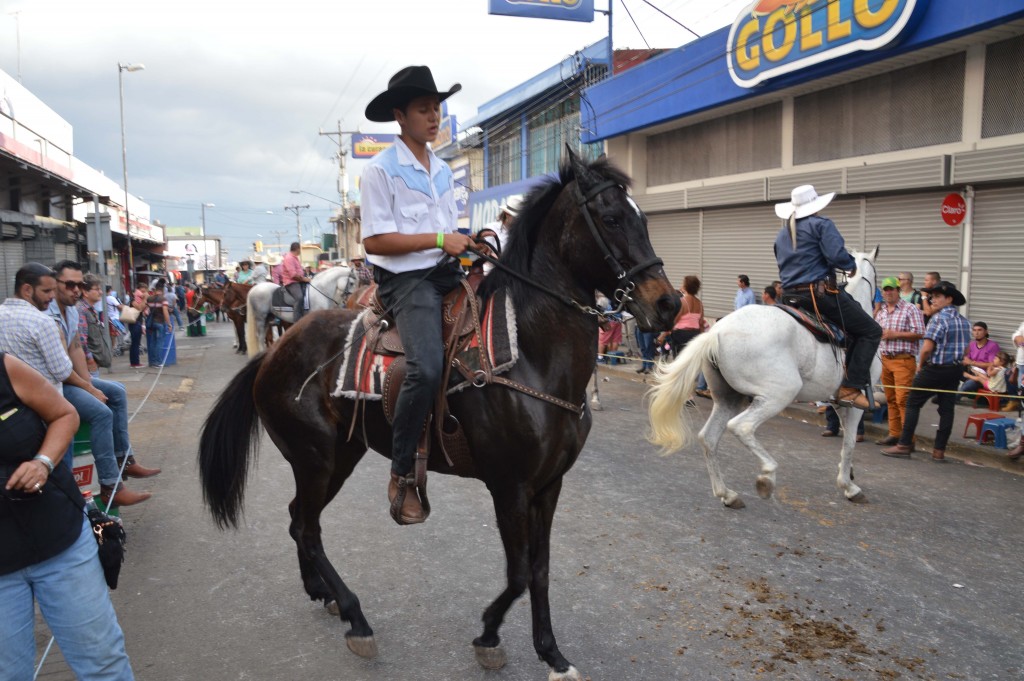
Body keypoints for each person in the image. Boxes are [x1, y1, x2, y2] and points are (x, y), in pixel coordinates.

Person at [362, 64, 484, 525]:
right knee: (428, 366)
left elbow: (449, 231)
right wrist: (438, 240)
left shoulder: (444, 169)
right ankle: (402, 474)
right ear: (400, 116)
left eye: (437, 108)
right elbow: (374, 242)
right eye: (423, 109)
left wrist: (466, 243)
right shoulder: (380, 171)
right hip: (407, 281)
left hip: (448, 271)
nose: (434, 117)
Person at [0, 352, 136, 680]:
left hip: (61, 542)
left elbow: (64, 414)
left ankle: (120, 470)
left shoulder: (5, 368)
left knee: (102, 661)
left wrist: (43, 462)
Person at [49, 262, 158, 505]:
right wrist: (89, 388)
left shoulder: (73, 311)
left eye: (79, 285)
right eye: (70, 284)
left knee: (117, 392)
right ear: (53, 284)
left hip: (69, 378)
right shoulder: (48, 314)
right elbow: (61, 368)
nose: (75, 289)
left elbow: (76, 348)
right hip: (51, 385)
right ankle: (110, 485)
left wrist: (91, 384)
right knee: (101, 413)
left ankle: (124, 460)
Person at [774, 185, 881, 410]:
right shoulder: (822, 225)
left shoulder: (783, 233)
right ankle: (850, 388)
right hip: (817, 295)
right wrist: (850, 266)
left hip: (788, 297)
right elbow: (836, 255)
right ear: (815, 205)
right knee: (871, 331)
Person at [881, 281, 971, 463]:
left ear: (949, 299)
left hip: (935, 368)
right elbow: (967, 350)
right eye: (932, 296)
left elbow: (927, 348)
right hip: (955, 369)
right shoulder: (964, 321)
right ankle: (939, 450)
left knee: (912, 403)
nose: (933, 299)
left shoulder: (938, 319)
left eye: (938, 296)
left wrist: (921, 365)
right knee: (947, 410)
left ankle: (904, 444)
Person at [873, 276, 925, 446]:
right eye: (885, 289)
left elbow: (920, 332)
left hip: (903, 360)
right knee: (891, 399)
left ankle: (907, 439)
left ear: (898, 291)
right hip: (886, 359)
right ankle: (895, 433)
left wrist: (895, 334)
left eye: (891, 289)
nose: (888, 292)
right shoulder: (881, 313)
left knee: (903, 400)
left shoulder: (910, 309)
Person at [661, 275, 706, 359]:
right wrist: (702, 338)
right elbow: (701, 323)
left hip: (681, 335)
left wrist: (663, 335)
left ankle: (665, 354)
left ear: (686, 286)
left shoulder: (682, 301)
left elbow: (674, 321)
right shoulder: (700, 303)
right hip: (695, 334)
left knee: (678, 358)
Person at [280, 242, 310, 321]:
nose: (300, 251)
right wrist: (304, 279)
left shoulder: (294, 257)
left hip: (299, 281)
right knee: (299, 297)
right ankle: (297, 320)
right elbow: (293, 275)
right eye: (300, 249)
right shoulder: (289, 258)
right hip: (291, 282)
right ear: (297, 249)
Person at [146, 280, 172, 368]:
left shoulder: (149, 298)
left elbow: (146, 311)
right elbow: (165, 312)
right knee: (159, 342)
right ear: (163, 289)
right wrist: (169, 324)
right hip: (160, 322)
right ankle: (158, 362)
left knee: (152, 342)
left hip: (151, 323)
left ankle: (152, 362)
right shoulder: (163, 299)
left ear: (155, 289)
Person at [128, 281, 148, 368]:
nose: (143, 293)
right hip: (134, 323)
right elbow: (140, 308)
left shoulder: (137, 300)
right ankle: (135, 363)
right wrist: (144, 299)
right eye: (142, 291)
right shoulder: (133, 300)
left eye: (144, 291)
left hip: (137, 322)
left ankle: (134, 362)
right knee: (135, 343)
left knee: (136, 343)